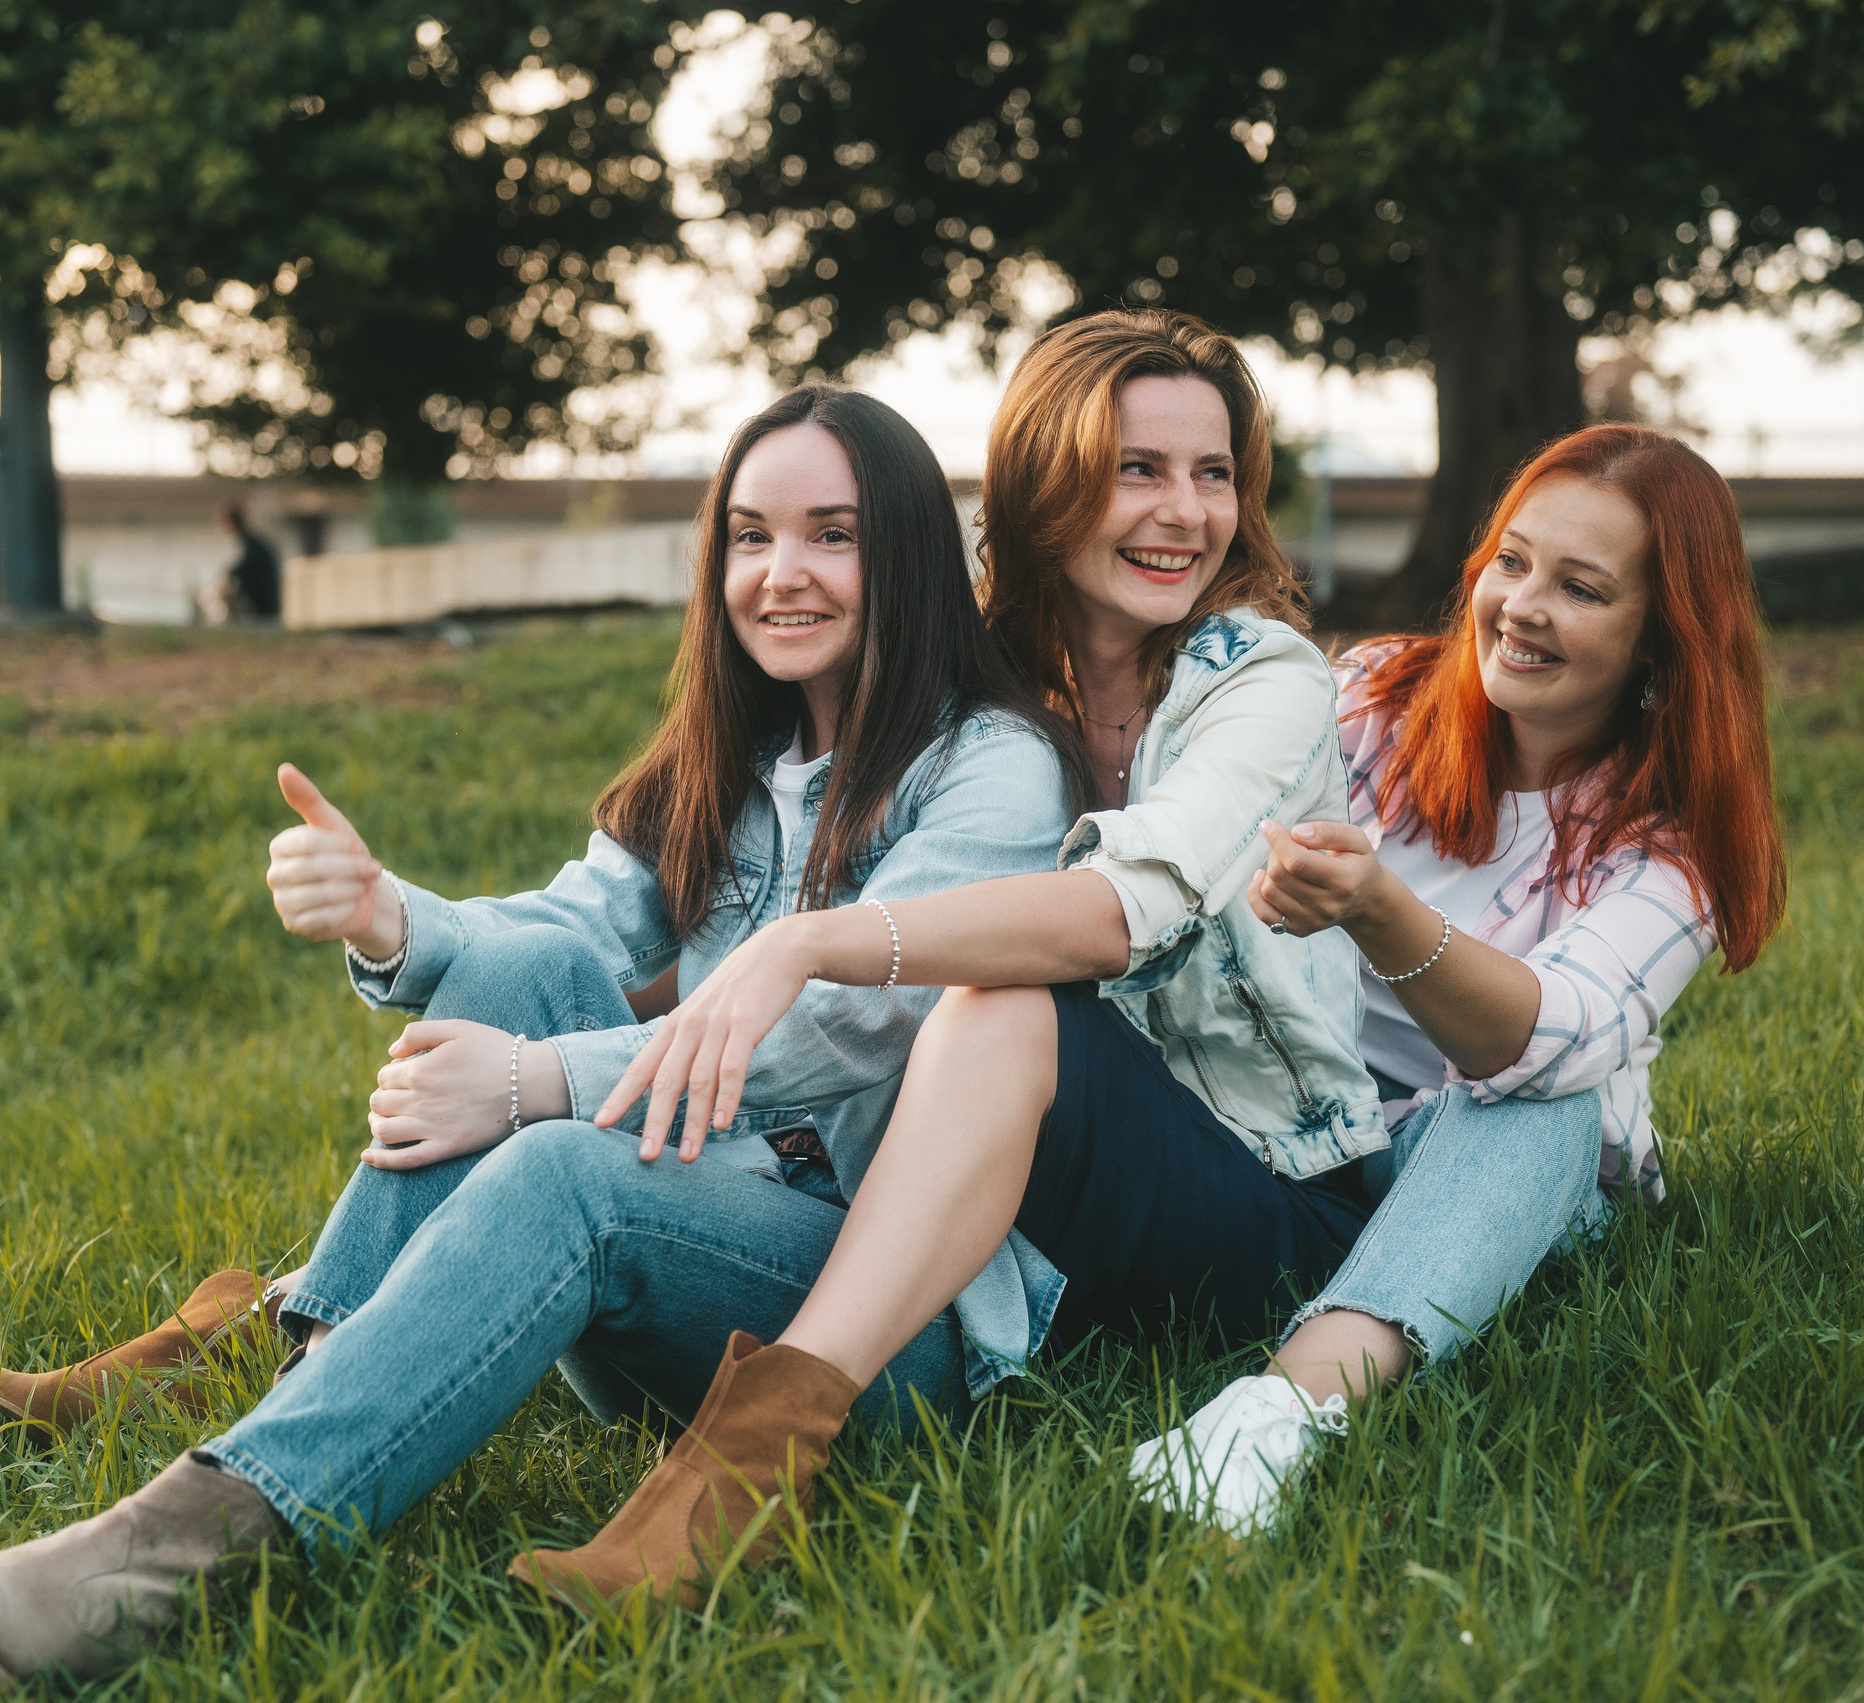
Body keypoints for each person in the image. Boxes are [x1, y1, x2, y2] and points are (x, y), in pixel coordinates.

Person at [0, 383, 1085, 1688]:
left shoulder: (989, 767)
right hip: (695, 1264)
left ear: (908, 553)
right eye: (750, 535)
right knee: (526, 960)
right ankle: (307, 1366)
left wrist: (540, 1083)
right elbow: (565, 927)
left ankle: (161, 1557)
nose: (783, 574)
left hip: (879, 1335)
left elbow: (849, 1023)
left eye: (833, 534)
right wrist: (389, 918)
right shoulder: (731, 754)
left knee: (559, 1161)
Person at [550, 416, 1785, 1599]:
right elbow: (1157, 855)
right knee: (1000, 1002)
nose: (1522, 605)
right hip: (1260, 1155)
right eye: (1510, 561)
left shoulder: (1665, 855)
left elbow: (1548, 1035)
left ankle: (1271, 1420)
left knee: (1544, 1105)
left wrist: (1380, 913)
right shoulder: (1363, 701)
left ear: (1660, 637)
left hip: (1464, 1187)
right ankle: (770, 1437)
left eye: (1581, 587)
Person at [521, 307, 1384, 1610]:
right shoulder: (986, 685)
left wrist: (814, 944)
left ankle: (750, 1464)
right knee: (547, 986)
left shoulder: (1259, 679)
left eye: (1213, 474)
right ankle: (314, 1314)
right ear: (1045, 483)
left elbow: (1113, 913)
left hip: (1265, 1198)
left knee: (995, 1001)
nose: (1185, 511)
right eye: (1138, 468)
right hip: (1035, 1219)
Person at [216, 502, 281, 620]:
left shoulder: (250, 544)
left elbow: (244, 567)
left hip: (264, 599)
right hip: (264, 597)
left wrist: (229, 575)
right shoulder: (249, 541)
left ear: (232, 523)